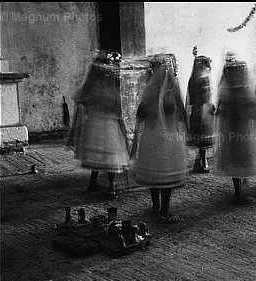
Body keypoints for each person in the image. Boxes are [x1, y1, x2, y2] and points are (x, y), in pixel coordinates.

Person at [130, 54, 188, 223]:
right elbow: (178, 112)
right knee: (164, 173)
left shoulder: (154, 89)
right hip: (163, 138)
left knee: (156, 171)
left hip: (156, 137)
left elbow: (142, 113)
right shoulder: (164, 90)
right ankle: (163, 210)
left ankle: (158, 207)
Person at [67, 52, 129, 196]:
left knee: (96, 155)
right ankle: (111, 186)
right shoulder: (111, 87)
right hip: (108, 124)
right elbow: (117, 108)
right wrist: (122, 127)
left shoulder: (91, 86)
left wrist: (77, 129)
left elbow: (81, 103)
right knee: (110, 156)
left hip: (93, 124)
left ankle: (93, 182)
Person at [214, 53, 256, 204]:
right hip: (240, 132)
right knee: (240, 159)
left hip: (233, 131)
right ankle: (238, 193)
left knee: (238, 160)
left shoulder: (227, 89)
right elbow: (248, 110)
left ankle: (239, 189)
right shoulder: (239, 91)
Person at [186, 47, 216, 173]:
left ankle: (200, 161)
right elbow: (205, 96)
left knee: (200, 138)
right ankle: (202, 161)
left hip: (197, 110)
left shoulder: (193, 79)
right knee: (203, 138)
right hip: (203, 110)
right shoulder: (203, 78)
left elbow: (191, 98)